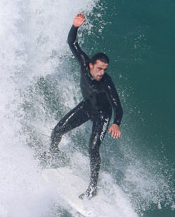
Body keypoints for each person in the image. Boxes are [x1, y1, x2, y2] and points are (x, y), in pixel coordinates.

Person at [46, 13, 123, 199]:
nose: (102, 73)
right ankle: (52, 154)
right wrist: (75, 26)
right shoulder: (83, 62)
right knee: (57, 131)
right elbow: (72, 43)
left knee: (93, 149)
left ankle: (92, 188)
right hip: (87, 107)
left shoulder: (107, 83)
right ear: (90, 65)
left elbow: (117, 106)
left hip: (102, 115)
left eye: (105, 69)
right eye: (99, 68)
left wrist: (116, 123)